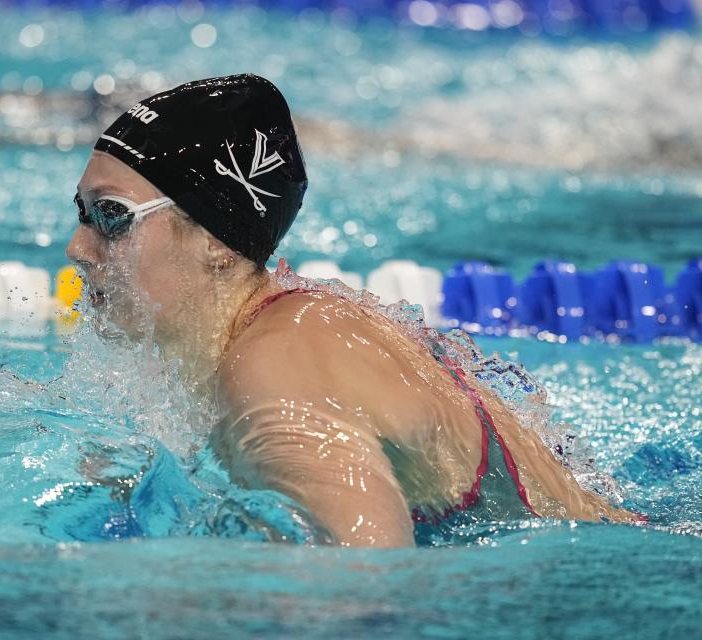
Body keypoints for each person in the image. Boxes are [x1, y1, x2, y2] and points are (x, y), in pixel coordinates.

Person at [64, 74, 640, 548]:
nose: (78, 248)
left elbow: (363, 594)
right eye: (83, 213)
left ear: (217, 240)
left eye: (113, 217)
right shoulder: (252, 334)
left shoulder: (281, 366)